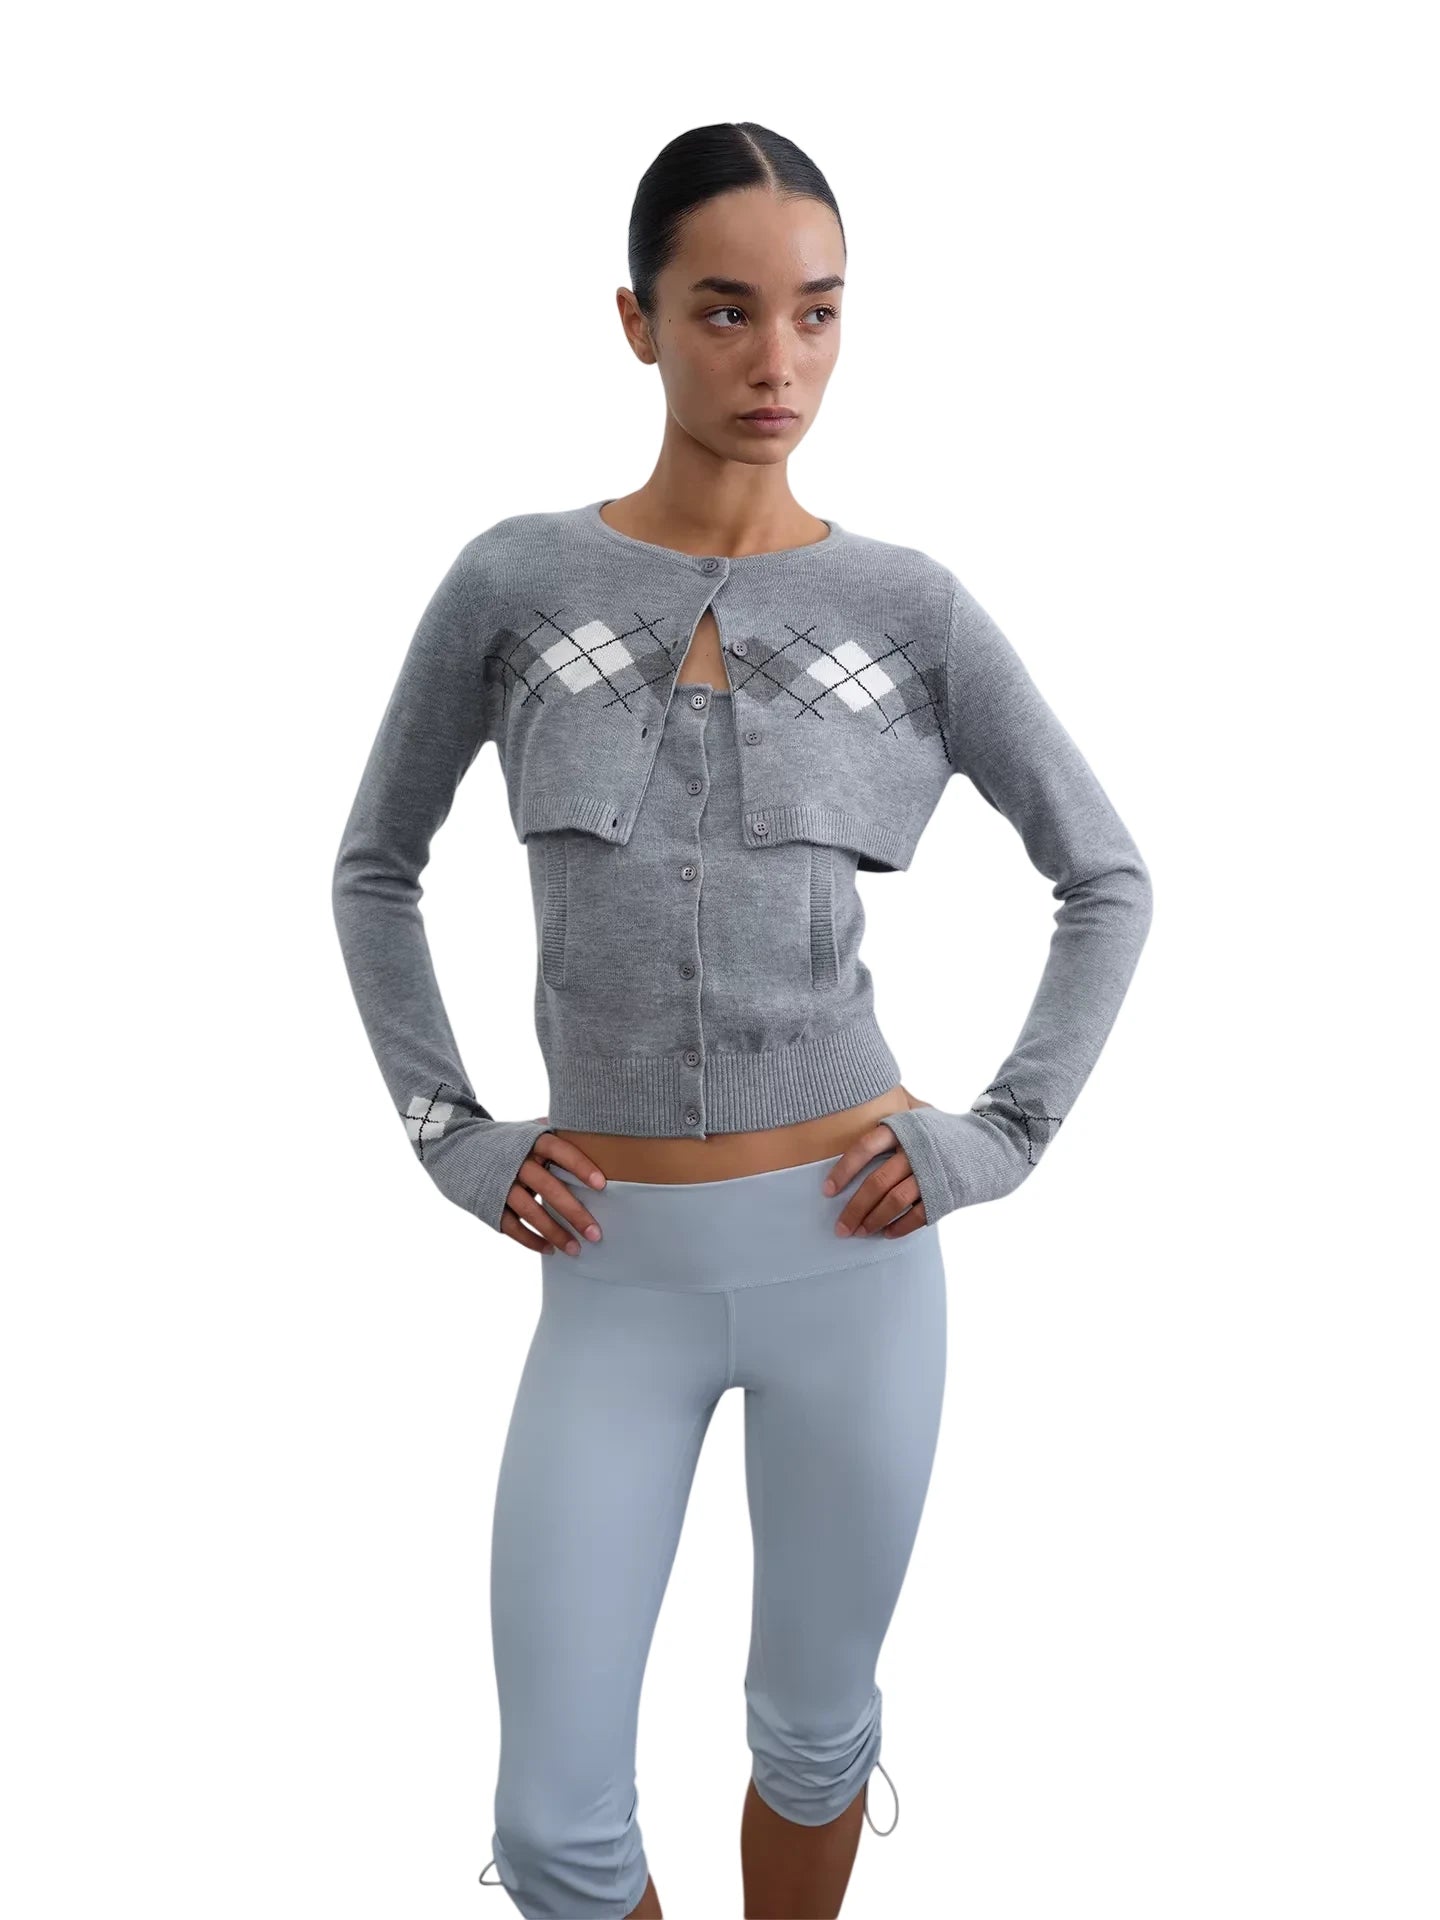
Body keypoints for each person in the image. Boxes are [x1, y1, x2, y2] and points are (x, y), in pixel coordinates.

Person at [331, 120, 1153, 1920]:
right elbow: (373, 869)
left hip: (856, 1253)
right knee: (556, 1828)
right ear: (636, 321)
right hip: (608, 1268)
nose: (778, 361)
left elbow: (1107, 876)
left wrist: (1002, 1136)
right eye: (725, 311)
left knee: (811, 1731)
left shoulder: (908, 609)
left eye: (817, 313)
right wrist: (450, 1135)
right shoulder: (515, 587)